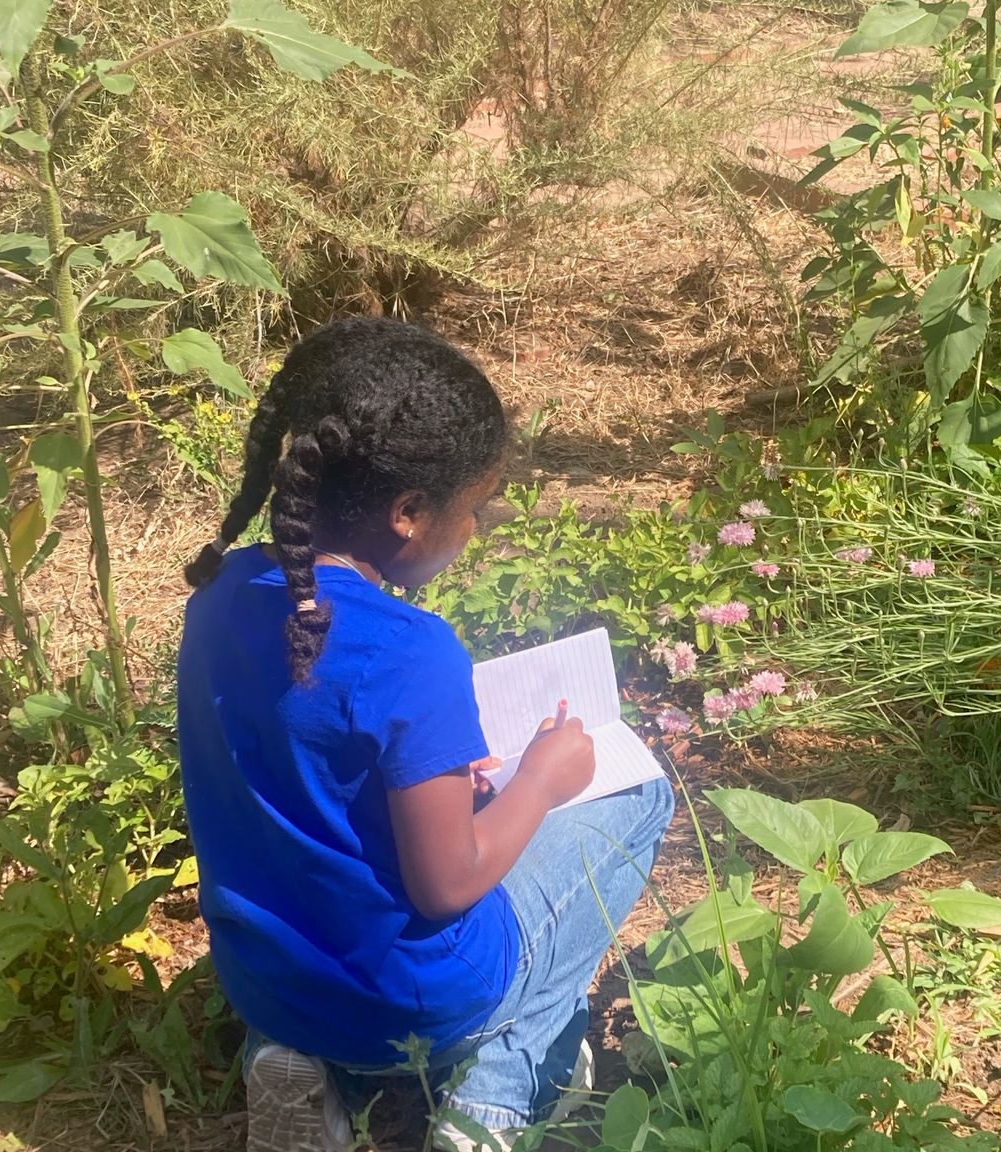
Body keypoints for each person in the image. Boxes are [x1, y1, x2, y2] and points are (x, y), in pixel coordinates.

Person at [176, 317, 674, 1152]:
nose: (476, 528)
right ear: (408, 512)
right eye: (473, 508)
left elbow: (303, 769)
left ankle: (289, 1061)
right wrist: (540, 780)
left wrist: (448, 778)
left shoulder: (221, 594)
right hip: (407, 1001)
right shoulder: (411, 652)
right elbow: (449, 885)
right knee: (640, 798)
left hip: (266, 980)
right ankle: (497, 1099)